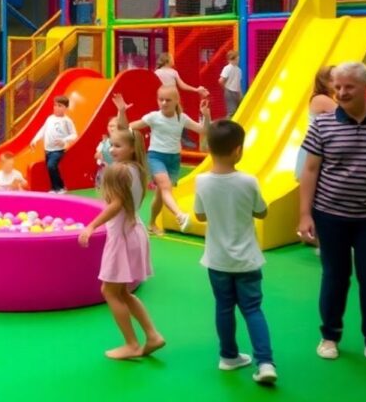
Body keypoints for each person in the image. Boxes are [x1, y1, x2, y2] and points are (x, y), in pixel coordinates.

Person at [298, 61, 366, 369]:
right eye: (337, 86)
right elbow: (310, 170)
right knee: (335, 277)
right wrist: (305, 214)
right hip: (330, 215)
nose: (340, 92)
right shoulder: (323, 124)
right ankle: (329, 336)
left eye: (348, 87)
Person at [194, 120, 277, 385]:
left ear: (208, 147)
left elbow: (199, 214)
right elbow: (262, 211)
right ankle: (264, 363)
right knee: (252, 309)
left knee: (224, 307)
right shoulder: (248, 181)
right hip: (247, 260)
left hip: (217, 261)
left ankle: (228, 356)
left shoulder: (201, 181)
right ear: (238, 150)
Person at [78, 153, 163, 360]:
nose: (112, 149)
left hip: (122, 239)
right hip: (136, 232)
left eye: (116, 145)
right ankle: (152, 336)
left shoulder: (120, 172)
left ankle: (131, 344)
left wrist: (91, 226)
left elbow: (116, 204)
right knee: (123, 292)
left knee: (109, 290)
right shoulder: (136, 169)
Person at [115, 87, 211, 234]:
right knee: (166, 187)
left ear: (176, 101)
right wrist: (122, 111)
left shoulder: (181, 118)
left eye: (168, 100)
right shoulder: (154, 117)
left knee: (161, 195)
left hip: (174, 159)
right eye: (161, 100)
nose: (164, 103)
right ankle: (180, 216)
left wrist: (206, 116)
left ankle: (152, 224)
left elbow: (202, 130)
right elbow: (125, 128)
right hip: (156, 157)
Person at [295, 66, 337, 181]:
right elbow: (347, 115)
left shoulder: (328, 98)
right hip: (315, 147)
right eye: (334, 80)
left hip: (319, 145)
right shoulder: (321, 99)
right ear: (325, 82)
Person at [30, 96, 77, 194]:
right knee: (50, 168)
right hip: (48, 149)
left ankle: (60, 187)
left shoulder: (67, 121)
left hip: (58, 149)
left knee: (51, 166)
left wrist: (64, 140)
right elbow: (43, 130)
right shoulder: (50, 118)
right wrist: (35, 140)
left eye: (59, 106)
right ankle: (55, 188)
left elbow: (74, 135)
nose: (56, 108)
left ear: (65, 108)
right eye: (55, 105)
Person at [94, 117, 121, 191]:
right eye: (109, 126)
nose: (111, 128)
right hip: (106, 170)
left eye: (113, 126)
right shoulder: (104, 142)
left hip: (118, 171)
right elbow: (96, 155)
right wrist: (102, 154)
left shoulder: (123, 141)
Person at [220, 50, 243, 118]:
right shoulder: (227, 68)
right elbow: (221, 80)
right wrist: (226, 88)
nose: (237, 60)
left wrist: (240, 93)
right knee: (231, 111)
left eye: (237, 59)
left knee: (238, 110)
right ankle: (228, 126)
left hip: (236, 92)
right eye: (236, 59)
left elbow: (238, 83)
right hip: (230, 91)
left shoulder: (239, 70)